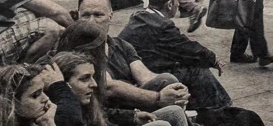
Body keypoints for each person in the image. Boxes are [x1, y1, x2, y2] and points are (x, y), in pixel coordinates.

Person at [116, 0, 237, 116]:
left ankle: (203, 108)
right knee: (196, 70)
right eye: (178, 1)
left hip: (132, 72)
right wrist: (212, 59)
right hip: (144, 77)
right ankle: (221, 109)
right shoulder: (162, 25)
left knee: (185, 65)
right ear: (169, 4)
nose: (179, 5)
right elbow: (187, 49)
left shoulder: (139, 17)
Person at [69, 0, 194, 115]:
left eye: (98, 15)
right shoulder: (77, 48)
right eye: (85, 15)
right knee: (174, 114)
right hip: (108, 111)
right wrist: (158, 97)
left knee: (169, 80)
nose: (91, 21)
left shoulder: (120, 45)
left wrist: (176, 91)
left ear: (110, 16)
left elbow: (145, 77)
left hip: (129, 103)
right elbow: (108, 87)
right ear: (78, 17)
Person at [52, 47, 189, 126]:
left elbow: (104, 114)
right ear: (63, 82)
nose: (93, 84)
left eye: (92, 77)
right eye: (84, 79)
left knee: (174, 112)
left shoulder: (86, 101)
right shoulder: (61, 110)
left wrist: (132, 116)